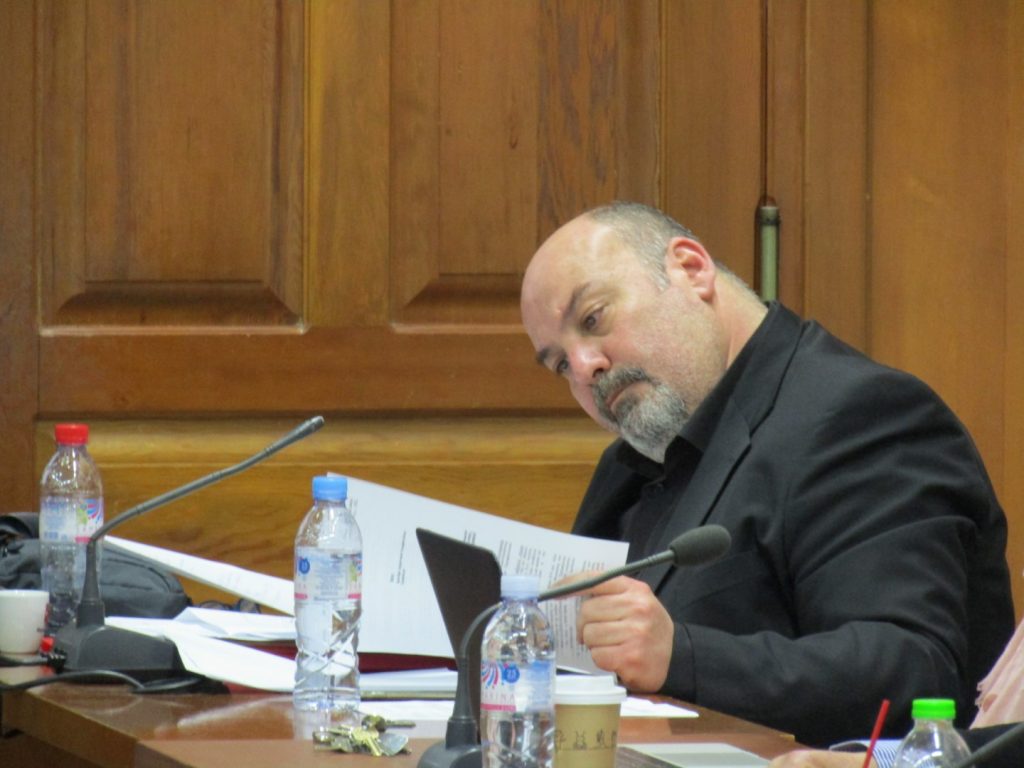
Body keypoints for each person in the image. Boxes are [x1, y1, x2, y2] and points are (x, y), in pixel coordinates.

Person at [519, 201, 1014, 746]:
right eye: (560, 364)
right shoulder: (629, 466)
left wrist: (682, 656)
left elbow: (910, 670)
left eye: (593, 319)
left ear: (691, 268)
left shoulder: (863, 414)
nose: (585, 369)